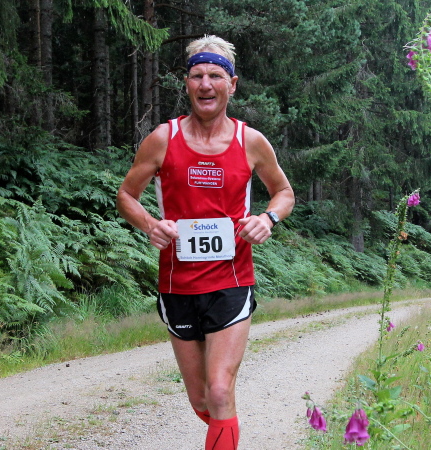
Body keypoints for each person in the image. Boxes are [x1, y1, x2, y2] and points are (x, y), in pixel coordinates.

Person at [116, 35, 294, 450]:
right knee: (201, 399)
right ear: (187, 83)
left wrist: (267, 218)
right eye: (197, 75)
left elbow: (284, 192)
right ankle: (223, 429)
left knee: (218, 389)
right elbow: (126, 195)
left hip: (231, 281)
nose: (205, 84)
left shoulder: (251, 141)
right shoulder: (163, 138)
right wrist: (149, 224)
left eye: (215, 75)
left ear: (232, 84)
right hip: (177, 285)